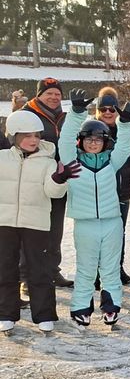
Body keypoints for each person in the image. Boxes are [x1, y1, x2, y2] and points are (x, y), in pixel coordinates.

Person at [58, 90, 130, 327]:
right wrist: (76, 113)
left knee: (111, 267)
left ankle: (111, 307)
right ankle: (81, 307)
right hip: (85, 224)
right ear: (81, 141)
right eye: (89, 139)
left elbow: (124, 146)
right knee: (86, 268)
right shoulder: (73, 163)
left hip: (112, 222)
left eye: (98, 140)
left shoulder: (111, 163)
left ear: (105, 142)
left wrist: (126, 124)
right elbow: (65, 139)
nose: (93, 143)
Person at [0, 110, 78, 333]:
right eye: (27, 135)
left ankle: (44, 314)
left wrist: (59, 179)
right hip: (4, 223)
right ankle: (5, 313)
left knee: (40, 270)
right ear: (14, 136)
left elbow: (52, 193)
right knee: (5, 269)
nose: (33, 140)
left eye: (36, 135)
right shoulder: (2, 158)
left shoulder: (47, 161)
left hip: (36, 223)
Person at [22, 76, 73, 286]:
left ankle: (52, 269)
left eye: (57, 94)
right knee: (31, 230)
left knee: (55, 229)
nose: (53, 97)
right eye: (49, 93)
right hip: (33, 181)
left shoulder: (65, 117)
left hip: (58, 180)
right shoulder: (26, 114)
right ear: (39, 95)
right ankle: (26, 276)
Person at [94, 87, 130, 284]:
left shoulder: (125, 128)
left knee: (118, 232)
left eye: (111, 109)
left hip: (121, 190)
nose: (107, 112)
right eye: (103, 109)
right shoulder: (90, 129)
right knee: (97, 233)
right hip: (98, 191)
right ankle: (96, 270)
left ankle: (116, 267)